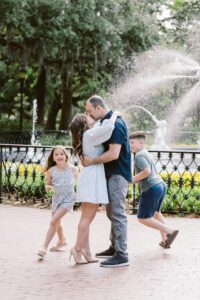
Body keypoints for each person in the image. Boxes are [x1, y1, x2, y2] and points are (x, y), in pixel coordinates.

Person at [83, 95, 132, 268]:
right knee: (112, 213)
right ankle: (114, 247)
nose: (88, 114)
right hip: (112, 174)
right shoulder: (107, 122)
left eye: (90, 110)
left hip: (118, 174)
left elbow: (114, 154)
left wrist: (92, 161)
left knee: (117, 213)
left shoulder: (116, 124)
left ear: (98, 108)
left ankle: (122, 254)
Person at [69, 110, 120, 264]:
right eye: (88, 118)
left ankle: (86, 250)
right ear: (84, 124)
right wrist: (115, 115)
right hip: (92, 178)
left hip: (90, 176)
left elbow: (100, 126)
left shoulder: (87, 136)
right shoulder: (89, 135)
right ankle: (77, 248)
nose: (91, 118)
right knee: (87, 218)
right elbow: (107, 129)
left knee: (86, 218)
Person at [130, 131, 179, 248]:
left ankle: (169, 231)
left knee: (143, 218)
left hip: (151, 187)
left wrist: (131, 180)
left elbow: (147, 172)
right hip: (160, 185)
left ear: (141, 142)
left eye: (132, 143)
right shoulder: (145, 152)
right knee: (157, 213)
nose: (130, 145)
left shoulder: (139, 155)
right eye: (129, 143)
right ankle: (165, 240)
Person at [37, 146, 79, 258]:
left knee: (53, 221)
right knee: (57, 223)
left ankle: (44, 247)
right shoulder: (51, 171)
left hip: (69, 199)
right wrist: (47, 187)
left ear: (66, 156)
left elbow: (81, 182)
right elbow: (48, 183)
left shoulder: (73, 169)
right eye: (56, 154)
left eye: (62, 154)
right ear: (53, 158)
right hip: (56, 199)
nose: (59, 156)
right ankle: (62, 240)